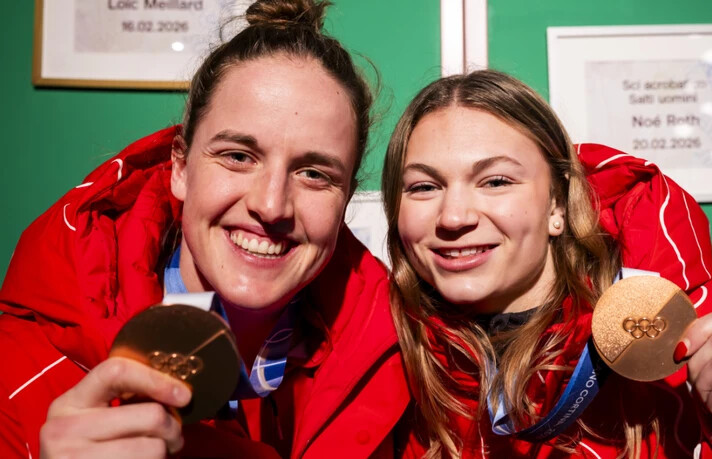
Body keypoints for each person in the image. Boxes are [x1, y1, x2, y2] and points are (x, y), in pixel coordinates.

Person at [0, 1, 409, 457]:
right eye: (238, 156)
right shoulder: (20, 369)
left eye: (314, 173)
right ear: (180, 166)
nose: (271, 205)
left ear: (346, 197)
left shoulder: (400, 367)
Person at [382, 70, 712, 458]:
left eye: (496, 181)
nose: (455, 217)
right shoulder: (388, 358)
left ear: (556, 203)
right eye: (423, 186)